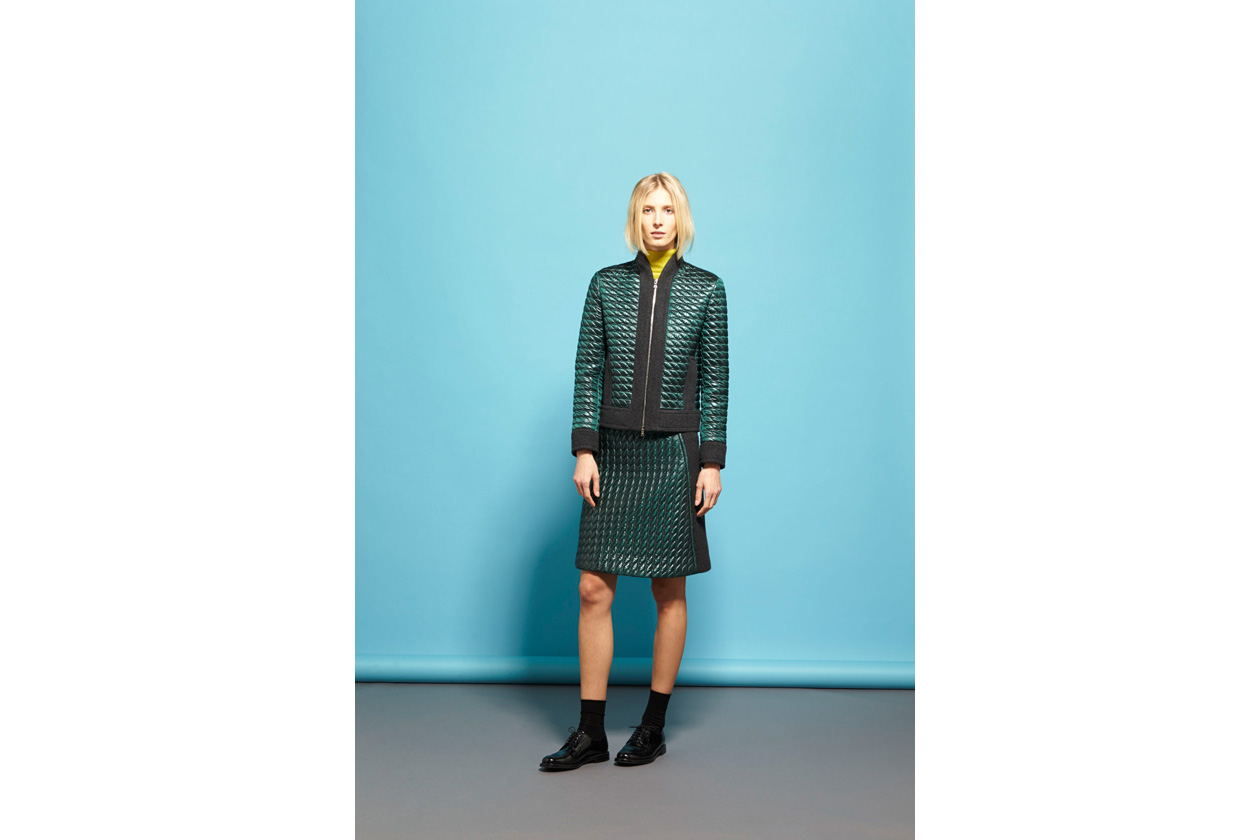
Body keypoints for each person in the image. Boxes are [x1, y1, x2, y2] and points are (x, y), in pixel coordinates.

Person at [539, 172, 730, 771]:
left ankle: (652, 726)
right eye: (648, 210)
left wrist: (711, 462)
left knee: (669, 590)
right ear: (635, 218)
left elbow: (715, 382)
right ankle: (591, 731)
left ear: (680, 218)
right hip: (614, 453)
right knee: (593, 589)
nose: (657, 220)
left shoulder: (706, 289)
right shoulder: (606, 284)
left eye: (666, 210)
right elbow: (587, 370)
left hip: (675, 455)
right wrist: (584, 449)